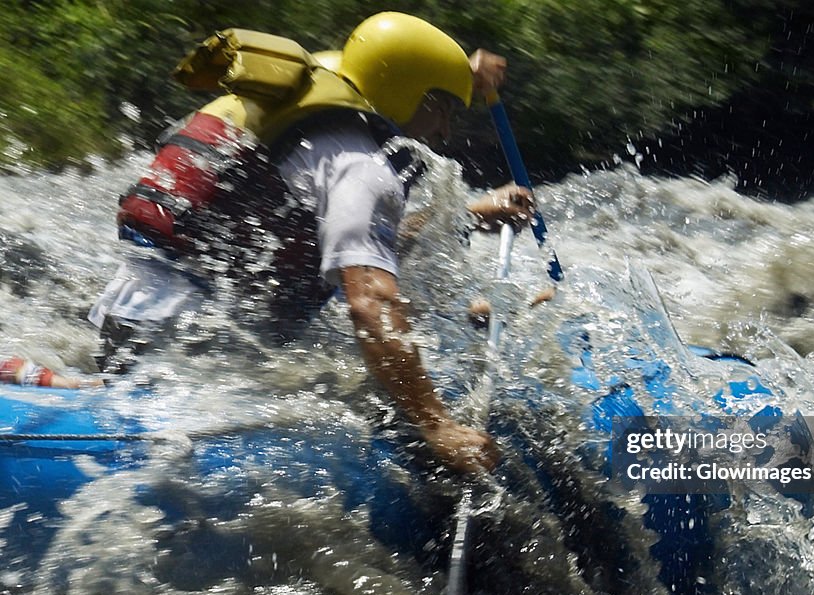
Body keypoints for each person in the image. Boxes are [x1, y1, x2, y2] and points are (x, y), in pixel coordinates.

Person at [90, 13, 535, 474]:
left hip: (130, 320)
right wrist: (436, 425)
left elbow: (350, 244)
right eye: (443, 109)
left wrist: (467, 215)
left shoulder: (314, 122)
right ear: (409, 95)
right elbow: (371, 302)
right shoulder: (363, 167)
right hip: (192, 350)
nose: (444, 132)